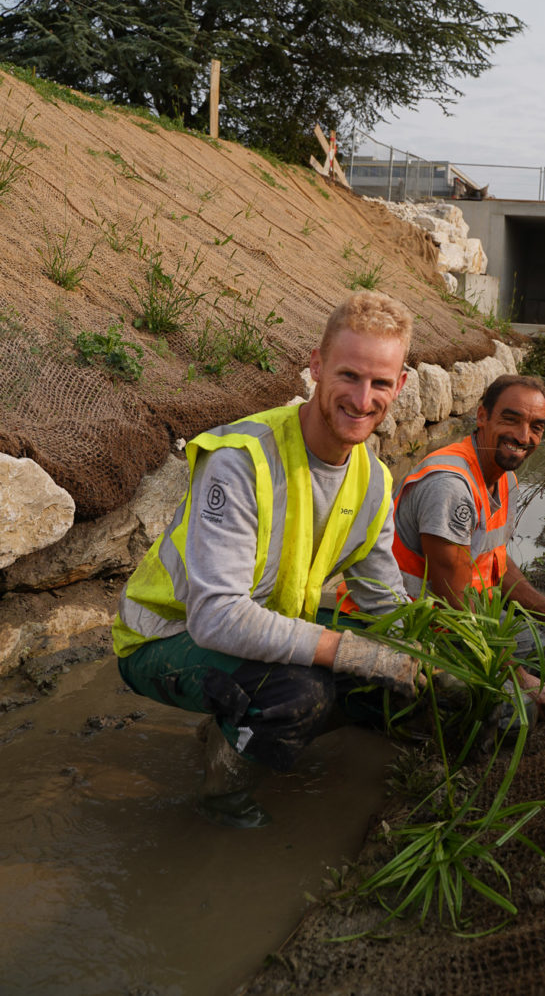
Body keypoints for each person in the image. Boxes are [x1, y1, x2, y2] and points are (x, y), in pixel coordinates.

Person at [112, 292, 421, 827]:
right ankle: (221, 798)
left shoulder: (373, 480)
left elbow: (388, 608)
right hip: (167, 635)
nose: (363, 398)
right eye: (348, 375)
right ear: (316, 365)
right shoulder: (242, 460)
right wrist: (347, 652)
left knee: (386, 677)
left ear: (402, 385)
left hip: (256, 626)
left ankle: (228, 726)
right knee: (302, 690)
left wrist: (446, 660)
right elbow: (216, 617)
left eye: (381, 383)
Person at [392, 373, 545, 718]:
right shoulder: (451, 487)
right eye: (511, 419)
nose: (524, 436)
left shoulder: (504, 480)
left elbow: (498, 566)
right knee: (514, 711)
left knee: (542, 652)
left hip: (458, 618)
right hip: (413, 624)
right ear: (481, 416)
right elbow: (454, 602)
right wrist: (519, 679)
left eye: (536, 426)